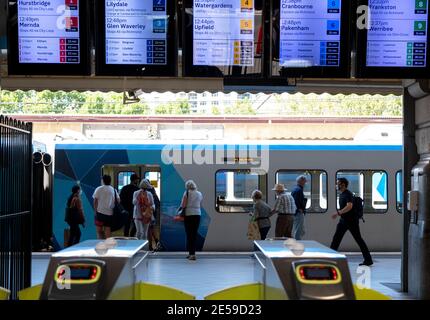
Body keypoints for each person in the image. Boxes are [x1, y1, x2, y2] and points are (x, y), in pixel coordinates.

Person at [330, 178, 373, 266]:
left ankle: (368, 259)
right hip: (343, 221)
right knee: (336, 239)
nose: (336, 185)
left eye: (338, 183)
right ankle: (330, 258)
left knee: (358, 240)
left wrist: (338, 213)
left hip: (351, 221)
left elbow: (349, 206)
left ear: (343, 184)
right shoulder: (342, 194)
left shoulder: (348, 194)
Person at [181, 180, 203, 261]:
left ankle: (192, 254)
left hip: (189, 215)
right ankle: (191, 253)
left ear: (187, 186)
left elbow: (183, 205)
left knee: (189, 234)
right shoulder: (199, 193)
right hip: (197, 215)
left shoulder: (186, 193)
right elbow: (200, 204)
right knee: (194, 234)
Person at [93, 175, 119, 239]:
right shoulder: (113, 190)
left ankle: (100, 243)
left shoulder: (99, 189)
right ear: (110, 181)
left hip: (100, 213)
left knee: (99, 231)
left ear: (103, 181)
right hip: (109, 213)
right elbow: (118, 200)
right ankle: (108, 244)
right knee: (108, 230)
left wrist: (95, 211)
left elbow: (95, 201)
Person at [139, 179, 161, 250]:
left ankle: (150, 246)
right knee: (151, 228)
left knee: (149, 229)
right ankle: (156, 241)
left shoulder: (146, 192)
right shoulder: (152, 190)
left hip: (148, 212)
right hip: (152, 212)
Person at [291, 175, 308, 240]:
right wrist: (299, 209)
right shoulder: (298, 190)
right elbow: (296, 201)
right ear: (301, 181)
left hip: (296, 212)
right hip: (298, 213)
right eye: (304, 181)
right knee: (298, 231)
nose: (305, 183)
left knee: (301, 230)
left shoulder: (296, 189)